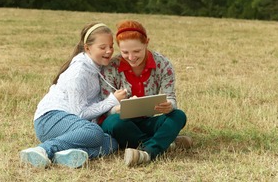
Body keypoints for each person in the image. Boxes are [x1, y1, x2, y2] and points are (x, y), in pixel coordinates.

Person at [20, 22, 128, 168]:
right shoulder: (78, 72)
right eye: (102, 47)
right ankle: (44, 149)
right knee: (93, 131)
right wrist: (112, 100)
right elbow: (80, 113)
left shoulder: (98, 66)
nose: (109, 51)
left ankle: (63, 155)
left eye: (111, 46)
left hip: (73, 126)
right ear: (87, 48)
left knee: (111, 142)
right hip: (50, 119)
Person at [99, 20, 192, 167]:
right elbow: (105, 107)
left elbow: (171, 98)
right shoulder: (111, 67)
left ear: (146, 43)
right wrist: (118, 108)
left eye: (137, 51)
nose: (131, 57)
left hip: (148, 121)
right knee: (112, 123)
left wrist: (169, 106)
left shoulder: (162, 64)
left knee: (178, 115)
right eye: (125, 52)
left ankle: (147, 151)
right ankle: (164, 143)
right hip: (123, 122)